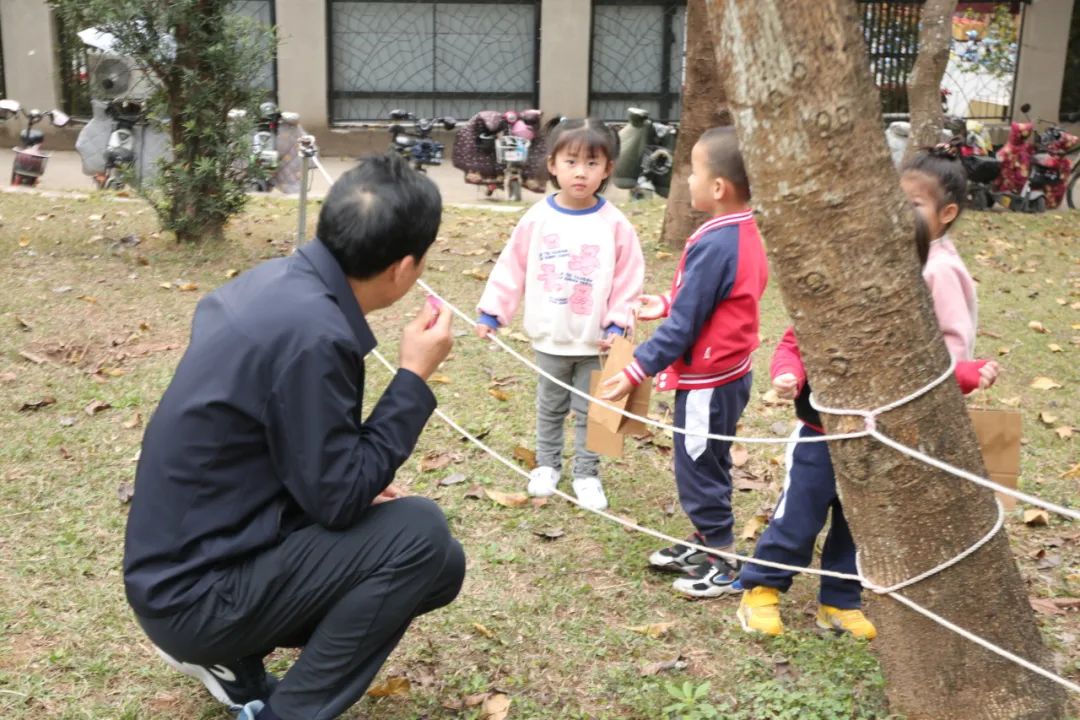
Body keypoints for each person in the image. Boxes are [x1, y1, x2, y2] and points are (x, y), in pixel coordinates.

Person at [123, 153, 466, 720]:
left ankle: (235, 659)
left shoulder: (276, 285)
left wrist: (348, 479)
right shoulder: (317, 335)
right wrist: (412, 378)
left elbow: (279, 448)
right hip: (195, 597)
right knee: (420, 535)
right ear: (405, 268)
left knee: (440, 564)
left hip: (180, 569)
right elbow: (339, 498)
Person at [735, 144, 1000, 638]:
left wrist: (968, 373)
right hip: (820, 433)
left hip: (880, 438)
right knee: (799, 516)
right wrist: (788, 370)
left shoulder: (915, 305)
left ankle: (839, 599)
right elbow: (795, 339)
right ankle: (761, 587)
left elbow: (928, 366)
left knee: (859, 525)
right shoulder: (836, 288)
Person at [600, 126, 768, 598]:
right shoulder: (743, 229)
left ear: (718, 188)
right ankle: (706, 539)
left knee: (696, 464)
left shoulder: (715, 241)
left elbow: (686, 329)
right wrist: (671, 300)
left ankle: (724, 561)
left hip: (709, 379)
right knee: (709, 459)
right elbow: (720, 299)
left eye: (694, 172)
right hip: (730, 373)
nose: (688, 181)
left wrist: (636, 369)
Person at [474, 117, 644, 512]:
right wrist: (492, 313)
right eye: (571, 161)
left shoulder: (616, 225)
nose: (580, 171)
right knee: (550, 406)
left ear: (607, 170)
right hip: (550, 336)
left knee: (593, 411)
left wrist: (619, 322)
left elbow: (629, 278)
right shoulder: (537, 219)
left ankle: (587, 472)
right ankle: (547, 465)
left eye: (592, 162)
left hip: (595, 341)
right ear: (552, 164)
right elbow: (510, 268)